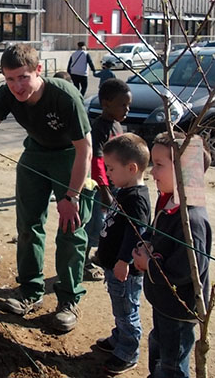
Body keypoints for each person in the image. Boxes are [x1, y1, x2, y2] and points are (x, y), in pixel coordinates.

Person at [0, 43, 94, 333]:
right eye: (9, 78)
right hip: (35, 154)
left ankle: (68, 300)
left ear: (37, 70)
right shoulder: (6, 95)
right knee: (28, 225)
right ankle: (30, 291)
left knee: (71, 227)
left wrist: (72, 195)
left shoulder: (64, 96)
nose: (16, 86)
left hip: (70, 157)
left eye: (23, 77)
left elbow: (86, 150)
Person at [132, 132, 212, 378]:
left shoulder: (192, 221)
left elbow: (187, 270)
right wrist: (147, 244)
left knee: (173, 362)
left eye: (158, 165)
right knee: (158, 343)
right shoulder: (168, 202)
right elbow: (158, 236)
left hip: (179, 308)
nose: (152, 173)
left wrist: (148, 265)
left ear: (183, 170)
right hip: (164, 302)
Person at [94, 133, 151, 375]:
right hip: (114, 266)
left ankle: (128, 351)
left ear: (131, 168)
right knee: (120, 306)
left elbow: (136, 233)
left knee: (127, 309)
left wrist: (123, 260)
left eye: (111, 169)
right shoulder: (124, 190)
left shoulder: (136, 198)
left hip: (124, 269)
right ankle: (119, 337)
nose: (108, 174)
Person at [85, 78, 132, 282]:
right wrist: (104, 190)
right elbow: (96, 162)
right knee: (94, 227)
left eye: (128, 105)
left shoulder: (117, 126)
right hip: (100, 190)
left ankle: (99, 256)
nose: (127, 109)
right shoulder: (99, 129)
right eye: (123, 105)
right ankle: (84, 262)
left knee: (109, 226)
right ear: (106, 103)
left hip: (116, 188)